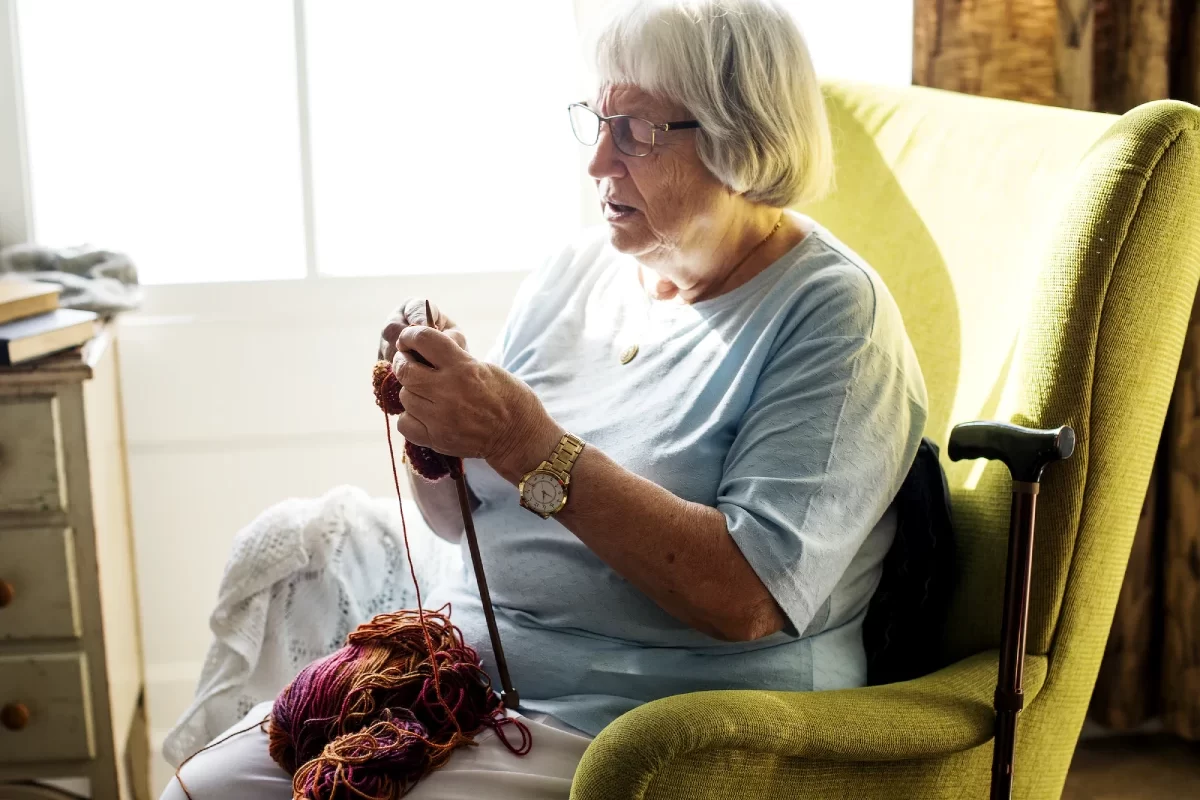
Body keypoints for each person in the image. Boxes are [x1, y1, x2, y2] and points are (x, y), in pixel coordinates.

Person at [162, 0, 927, 797]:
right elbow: (459, 520)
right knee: (202, 788)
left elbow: (745, 598)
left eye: (634, 132)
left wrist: (527, 440)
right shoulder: (578, 272)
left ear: (740, 138)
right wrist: (439, 419)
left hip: (649, 725)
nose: (598, 162)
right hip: (462, 684)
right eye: (596, 123)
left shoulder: (836, 318)